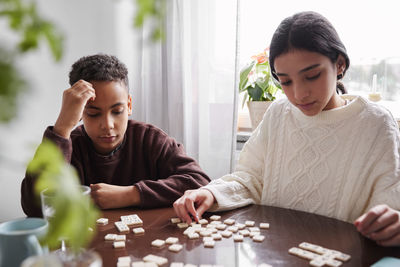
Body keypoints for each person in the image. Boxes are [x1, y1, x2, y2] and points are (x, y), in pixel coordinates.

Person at [173, 11, 400, 247]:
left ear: (340, 64)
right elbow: (250, 179)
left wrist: (392, 224)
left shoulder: (375, 123)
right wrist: (212, 193)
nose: (299, 94)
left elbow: (390, 203)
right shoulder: (279, 113)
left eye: (311, 76)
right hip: (274, 255)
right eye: (286, 81)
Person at [21, 54, 210, 217]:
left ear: (128, 105)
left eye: (117, 111)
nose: (108, 125)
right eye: (94, 113)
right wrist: (61, 128)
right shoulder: (69, 145)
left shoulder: (150, 139)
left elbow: (199, 182)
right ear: (79, 112)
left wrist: (130, 194)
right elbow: (34, 207)